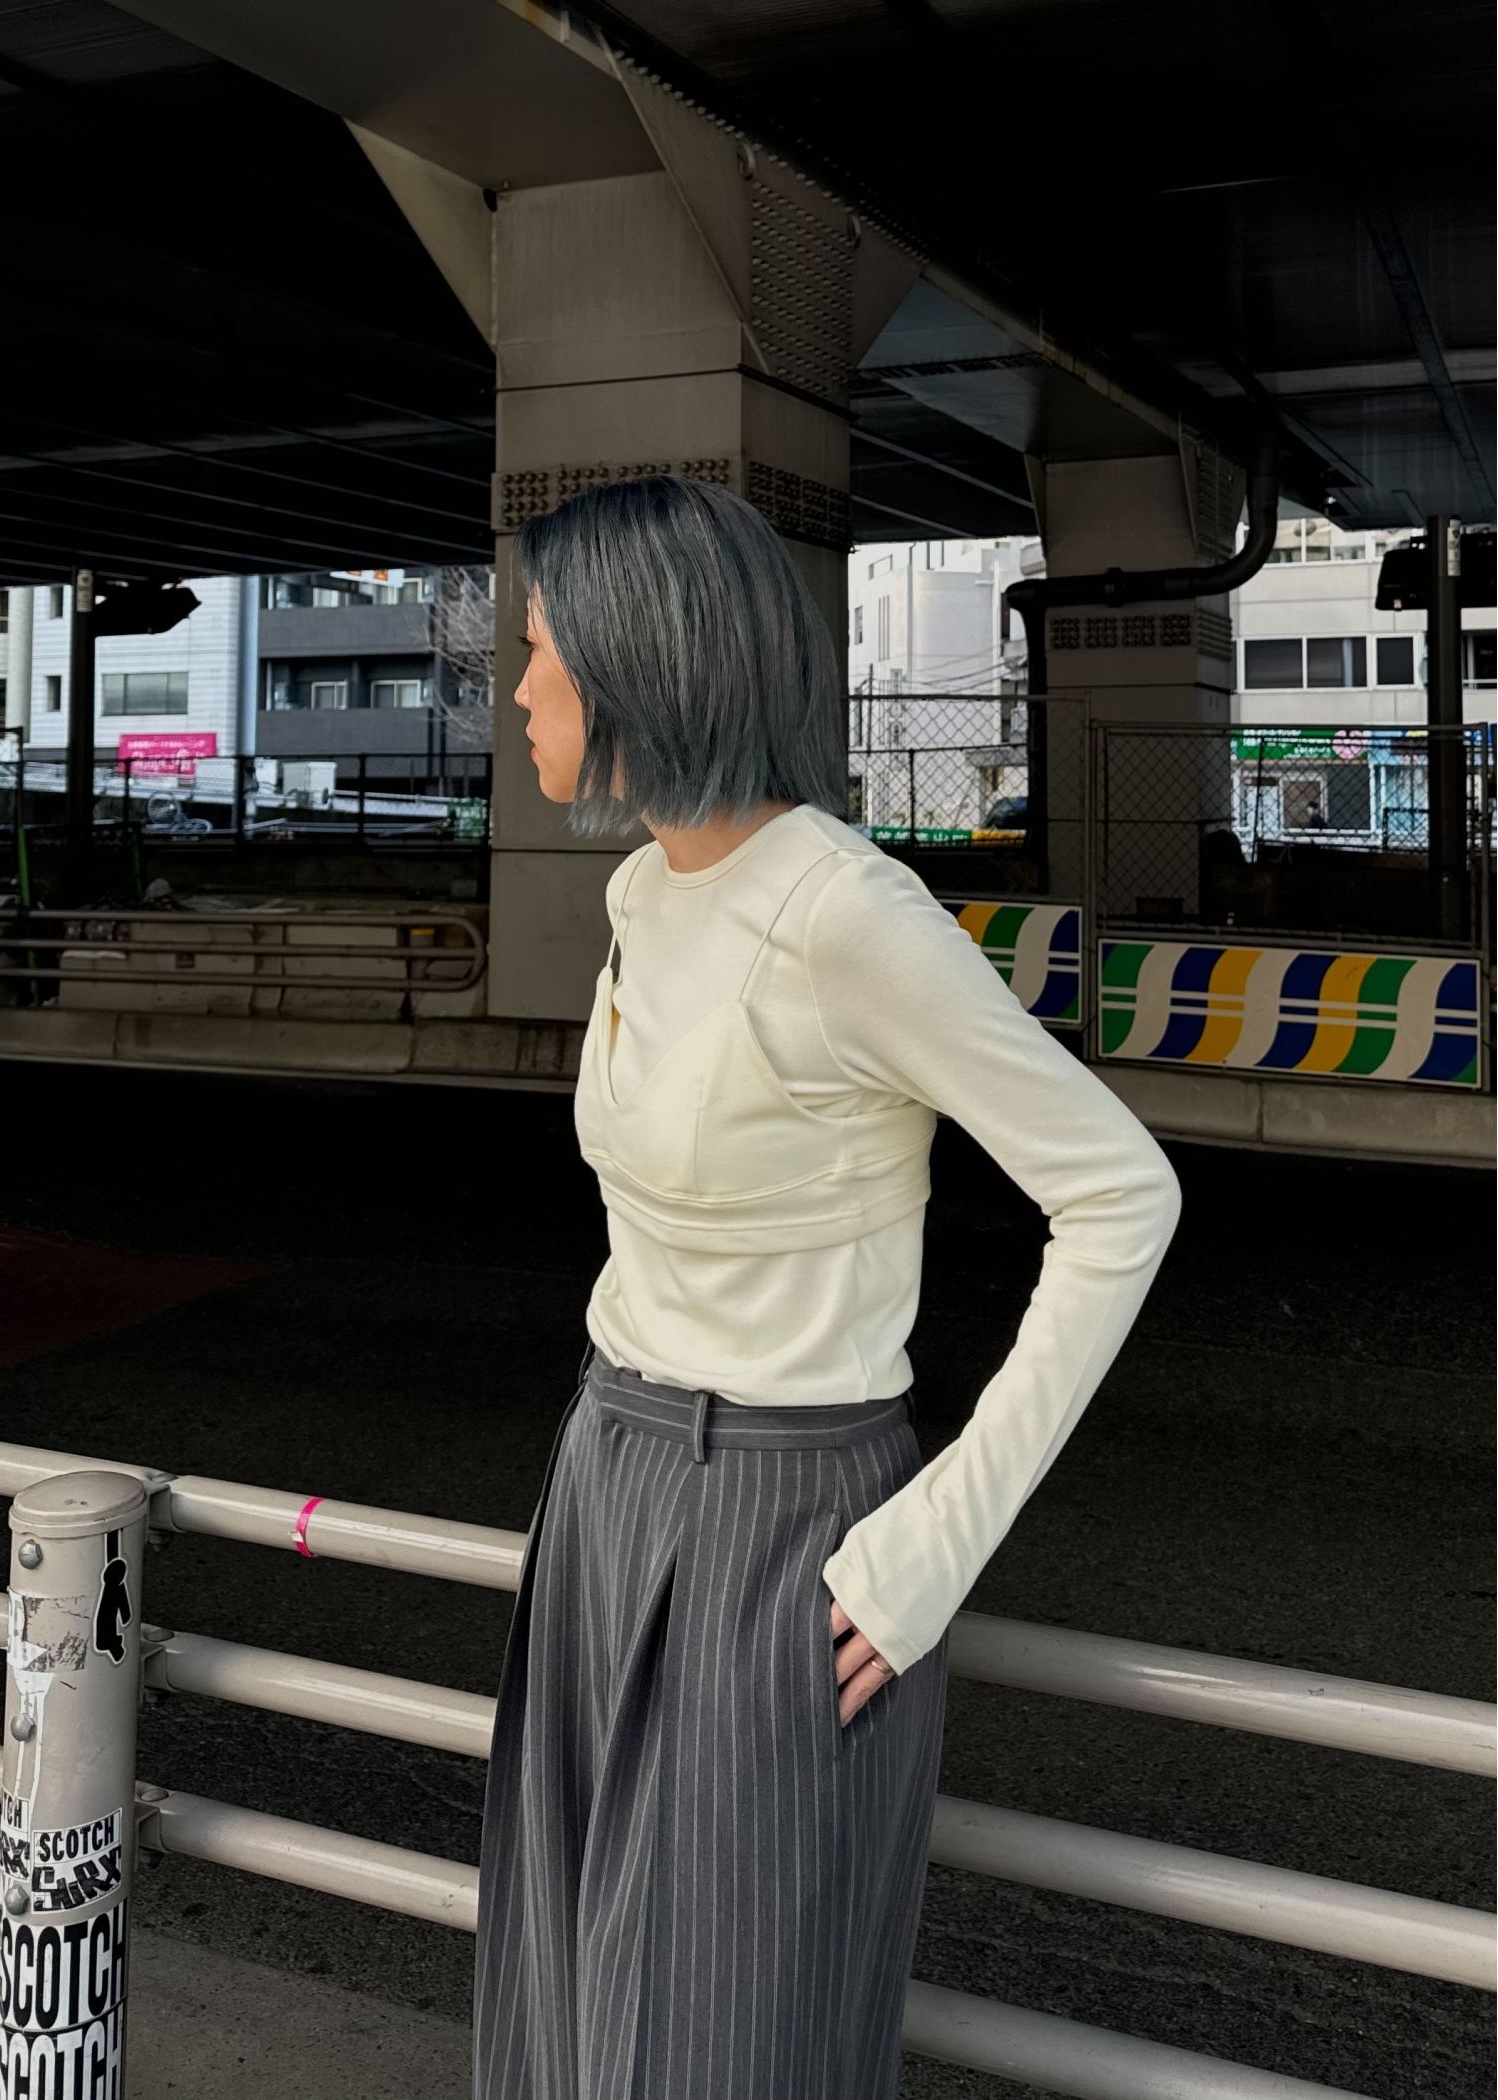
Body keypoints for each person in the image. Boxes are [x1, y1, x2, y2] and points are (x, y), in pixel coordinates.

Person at [473, 474, 1182, 2100]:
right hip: (605, 1479)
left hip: (783, 1523)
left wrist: (937, 1540)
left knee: (718, 2048)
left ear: (639, 657)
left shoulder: (847, 913)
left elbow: (1119, 1194)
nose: (516, 690)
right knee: (562, 2019)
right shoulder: (643, 891)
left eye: (536, 649)